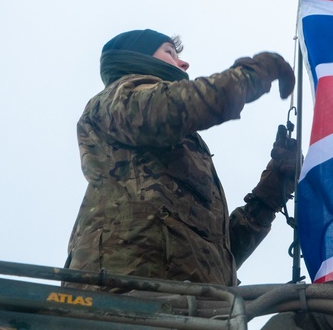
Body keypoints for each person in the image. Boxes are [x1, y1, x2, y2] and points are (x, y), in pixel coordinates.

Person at [64, 28, 299, 289]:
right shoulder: (116, 100)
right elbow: (175, 105)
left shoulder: (187, 144)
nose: (183, 63)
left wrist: (271, 193)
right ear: (136, 57)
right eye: (170, 52)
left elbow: (216, 253)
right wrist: (252, 74)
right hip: (123, 306)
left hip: (196, 316)